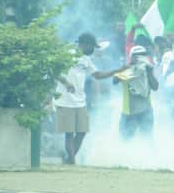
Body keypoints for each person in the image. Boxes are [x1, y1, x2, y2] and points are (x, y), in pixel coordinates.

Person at [54, 33, 127, 164]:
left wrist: (116, 70)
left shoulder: (86, 60)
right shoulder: (68, 54)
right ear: (84, 45)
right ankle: (71, 160)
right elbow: (55, 71)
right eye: (92, 47)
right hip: (64, 99)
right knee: (69, 133)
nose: (93, 50)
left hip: (80, 100)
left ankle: (69, 159)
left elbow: (97, 75)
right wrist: (66, 83)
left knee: (82, 131)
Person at [113, 45, 159, 140]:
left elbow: (155, 87)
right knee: (125, 141)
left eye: (142, 55)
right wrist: (129, 66)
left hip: (146, 111)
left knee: (147, 138)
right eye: (137, 55)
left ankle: (150, 155)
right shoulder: (127, 69)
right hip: (129, 112)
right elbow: (115, 80)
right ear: (131, 57)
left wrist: (149, 72)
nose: (140, 57)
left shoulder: (147, 69)